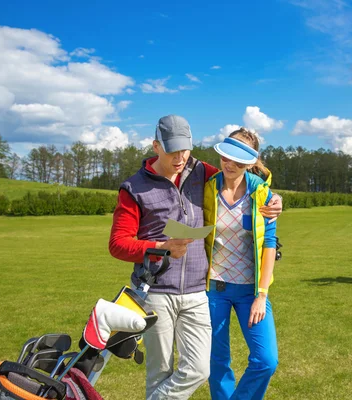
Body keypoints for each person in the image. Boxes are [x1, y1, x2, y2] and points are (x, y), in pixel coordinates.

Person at [108, 115, 282, 400]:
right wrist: (162, 246)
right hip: (181, 290)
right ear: (156, 146)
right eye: (172, 150)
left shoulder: (221, 180)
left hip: (221, 291)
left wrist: (276, 199)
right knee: (182, 369)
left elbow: (266, 234)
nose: (180, 158)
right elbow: (117, 244)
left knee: (234, 364)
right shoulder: (149, 186)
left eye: (185, 150)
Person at [203, 128, 279, 400]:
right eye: (226, 157)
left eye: (238, 160)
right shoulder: (208, 187)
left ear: (251, 162)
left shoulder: (263, 195)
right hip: (214, 289)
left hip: (251, 291)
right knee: (217, 362)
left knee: (266, 360)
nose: (230, 165)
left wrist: (262, 295)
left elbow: (270, 242)